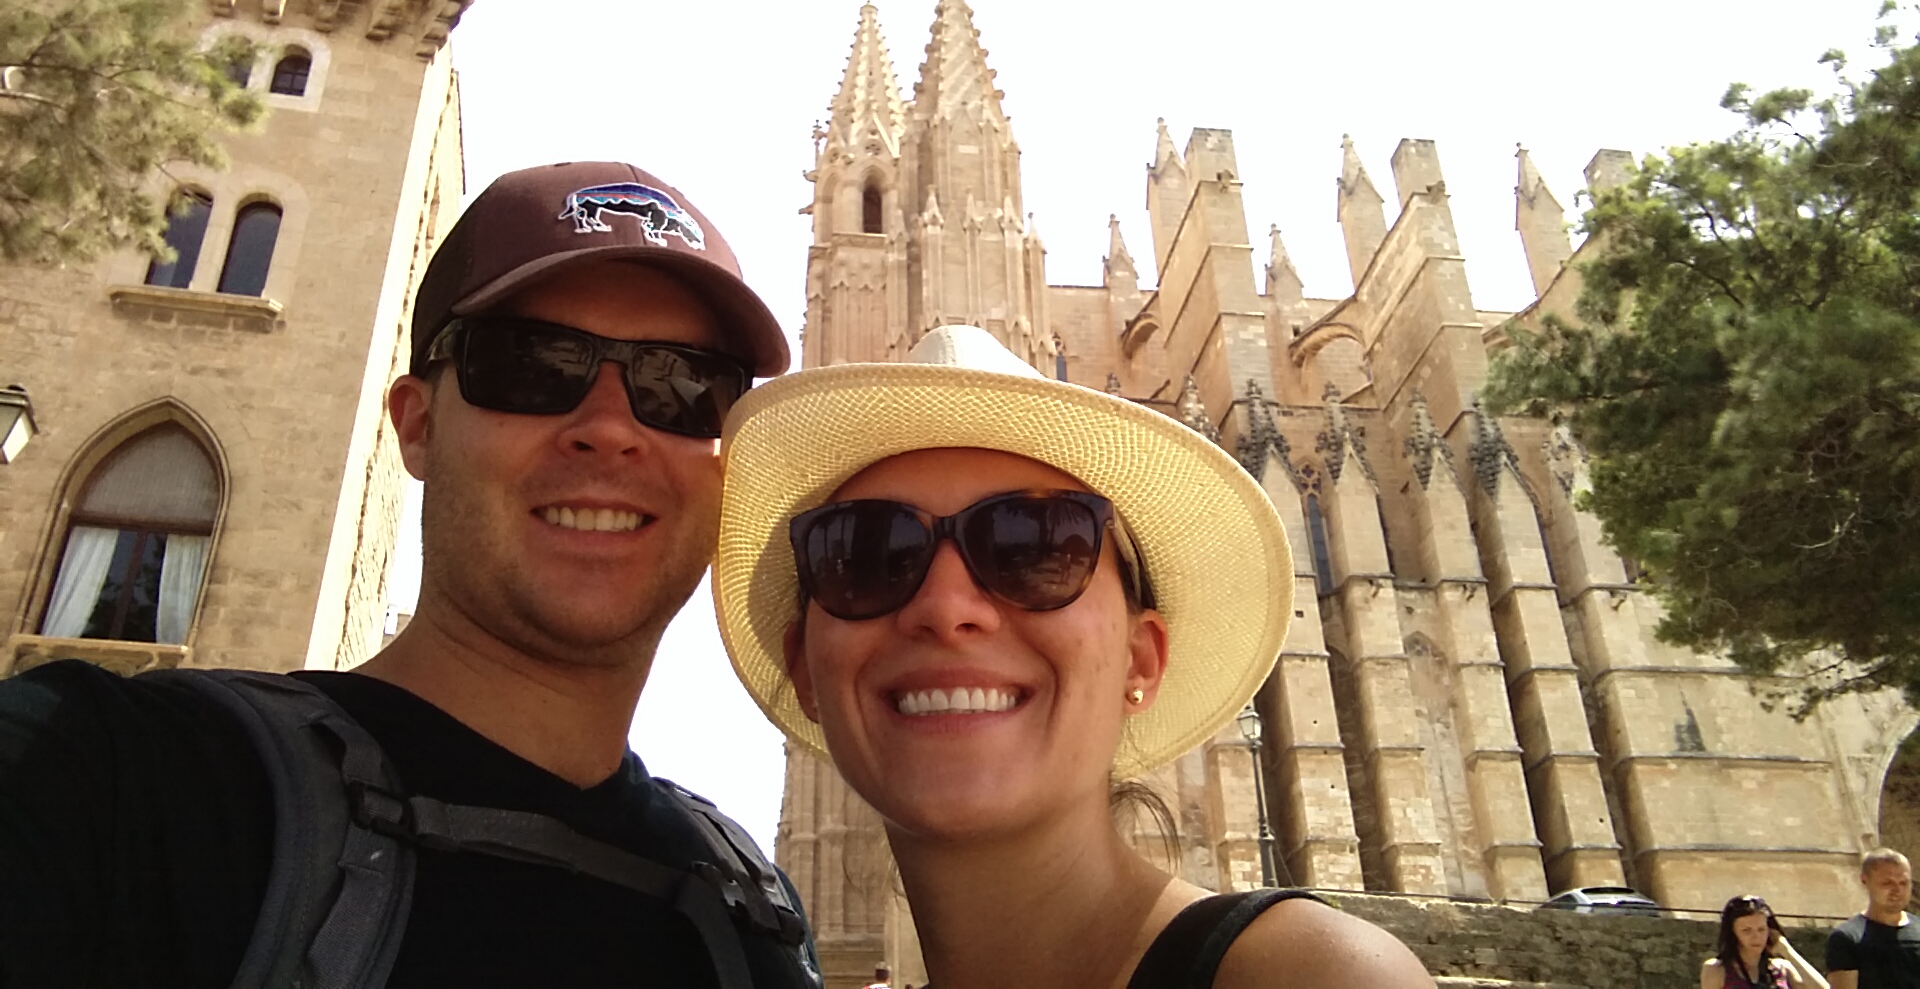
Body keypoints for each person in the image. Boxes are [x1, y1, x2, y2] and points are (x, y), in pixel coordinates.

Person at [0, 161, 818, 988]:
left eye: (683, 384)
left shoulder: (755, 918)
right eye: (534, 365)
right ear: (417, 425)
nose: (609, 428)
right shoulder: (107, 785)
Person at [713, 325, 1432, 988]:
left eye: (1034, 545)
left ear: (1140, 659)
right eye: (867, 554)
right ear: (805, 668)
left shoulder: (1308, 975)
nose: (946, 606)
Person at [1829, 848, 1920, 989]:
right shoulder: (1848, 938)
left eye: (1903, 883)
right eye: (1887, 883)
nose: (1897, 890)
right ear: (1865, 881)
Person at [1701, 894, 1828, 989]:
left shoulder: (1782, 969)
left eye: (1761, 929)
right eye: (1746, 931)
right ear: (1733, 933)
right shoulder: (1717, 970)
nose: (1756, 937)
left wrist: (1787, 951)